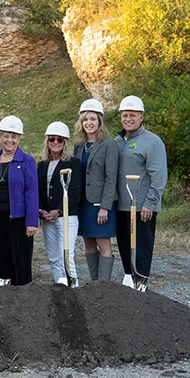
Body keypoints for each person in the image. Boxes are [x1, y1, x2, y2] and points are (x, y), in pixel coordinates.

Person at [115, 95, 167, 283]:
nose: (128, 118)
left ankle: (141, 282)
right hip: (121, 205)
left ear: (141, 117)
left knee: (142, 247)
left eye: (132, 115)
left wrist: (150, 204)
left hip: (141, 207)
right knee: (124, 245)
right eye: (125, 115)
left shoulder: (152, 142)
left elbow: (159, 176)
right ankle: (129, 279)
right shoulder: (118, 141)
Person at [0, 116, 40, 285]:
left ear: (18, 139)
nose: (9, 140)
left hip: (19, 218)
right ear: (0, 137)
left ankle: (22, 289)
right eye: (6, 136)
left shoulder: (26, 160)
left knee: (20, 255)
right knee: (2, 253)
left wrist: (31, 221)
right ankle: (6, 287)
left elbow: (31, 191)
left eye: (13, 137)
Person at [72, 99, 119, 282]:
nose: (89, 123)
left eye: (92, 119)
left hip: (100, 204)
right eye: (85, 119)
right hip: (83, 203)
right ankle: (94, 283)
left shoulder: (109, 144)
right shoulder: (79, 146)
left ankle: (103, 285)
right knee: (88, 242)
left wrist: (105, 207)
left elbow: (111, 177)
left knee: (102, 242)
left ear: (100, 120)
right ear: (81, 123)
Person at [37, 121, 82, 285]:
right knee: (54, 257)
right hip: (47, 217)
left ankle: (74, 288)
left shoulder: (73, 163)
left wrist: (59, 211)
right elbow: (38, 190)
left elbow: (75, 191)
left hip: (66, 216)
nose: (55, 143)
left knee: (66, 255)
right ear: (47, 142)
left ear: (65, 143)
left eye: (59, 140)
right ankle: (60, 288)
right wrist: (41, 210)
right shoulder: (42, 165)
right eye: (52, 139)